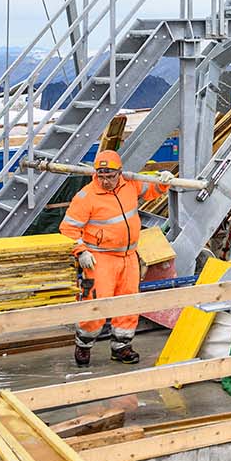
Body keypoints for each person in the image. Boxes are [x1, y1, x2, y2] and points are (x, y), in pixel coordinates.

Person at [60, 149, 170, 366]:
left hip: (128, 257)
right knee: (97, 304)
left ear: (119, 173)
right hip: (100, 259)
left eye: (110, 176)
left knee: (128, 302)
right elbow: (68, 229)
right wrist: (81, 252)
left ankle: (121, 347)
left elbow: (152, 190)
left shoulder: (130, 184)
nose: (105, 181)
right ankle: (83, 345)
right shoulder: (86, 197)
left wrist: (163, 182)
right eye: (101, 176)